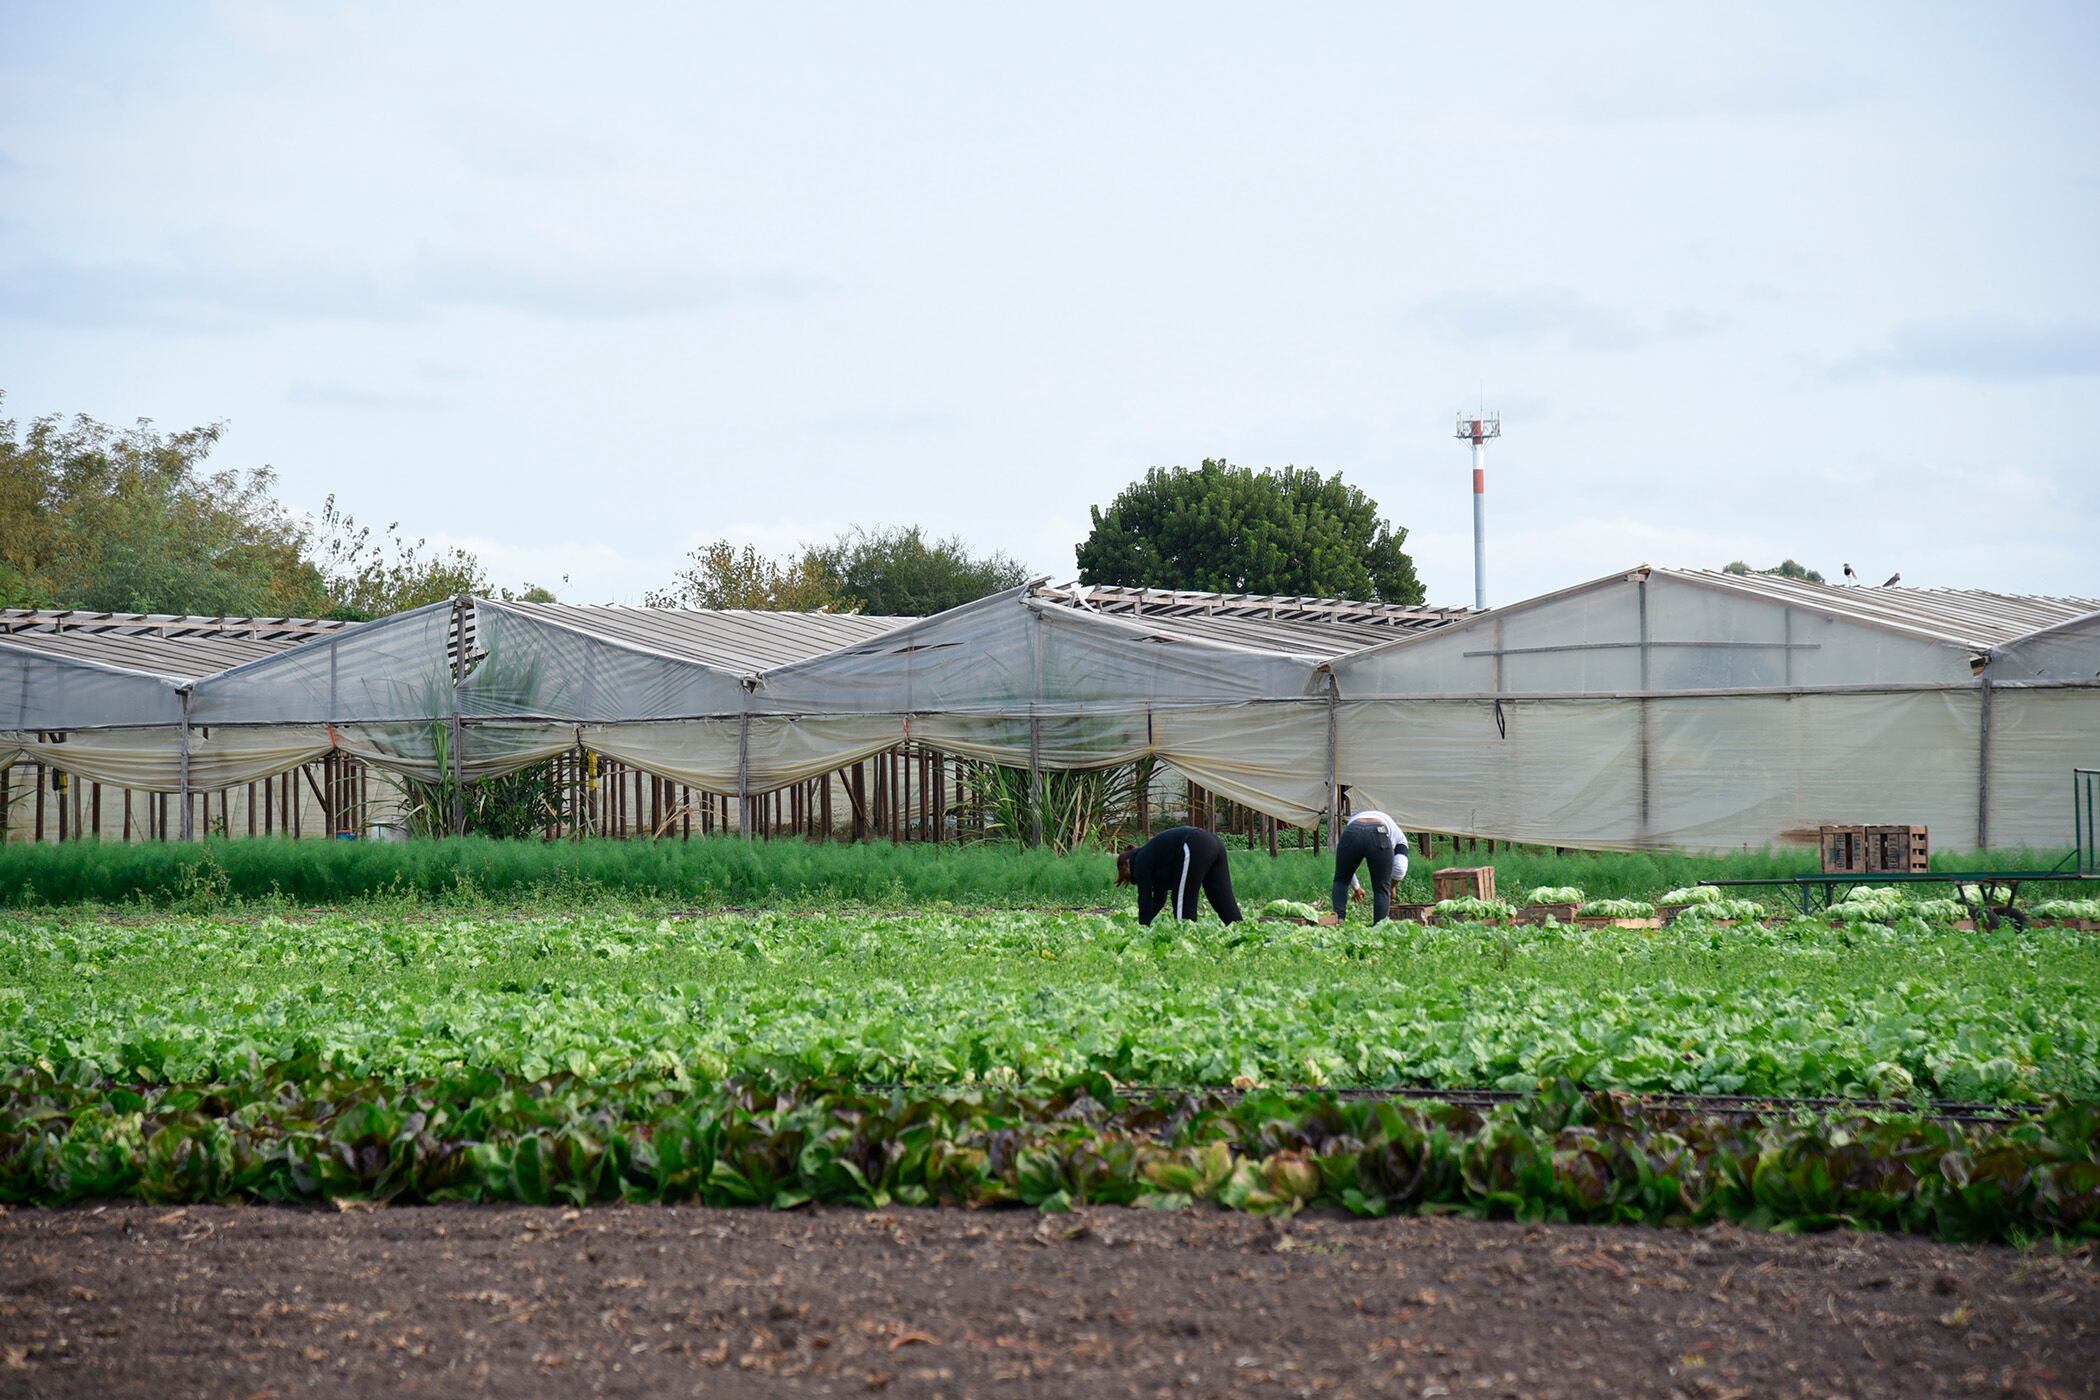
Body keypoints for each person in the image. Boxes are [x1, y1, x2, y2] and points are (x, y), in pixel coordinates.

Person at [1115, 826, 1244, 926]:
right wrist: (1147, 921)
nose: (1133, 880)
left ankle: (1185, 939)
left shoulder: (1139, 860)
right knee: (1222, 898)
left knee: (1182, 898)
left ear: (1127, 863)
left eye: (1129, 877)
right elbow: (1159, 900)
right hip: (1214, 842)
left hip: (1194, 842)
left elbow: (1145, 898)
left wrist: (1141, 927)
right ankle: (1241, 932)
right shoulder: (1153, 859)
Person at [1332, 808, 1410, 924]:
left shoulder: (1354, 822)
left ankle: (1338, 922)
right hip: (1379, 833)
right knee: (1381, 889)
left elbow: (1346, 870)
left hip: (1351, 831)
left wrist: (1357, 887)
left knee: (1341, 881)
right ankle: (1379, 928)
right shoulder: (1401, 840)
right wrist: (1391, 886)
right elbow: (1400, 868)